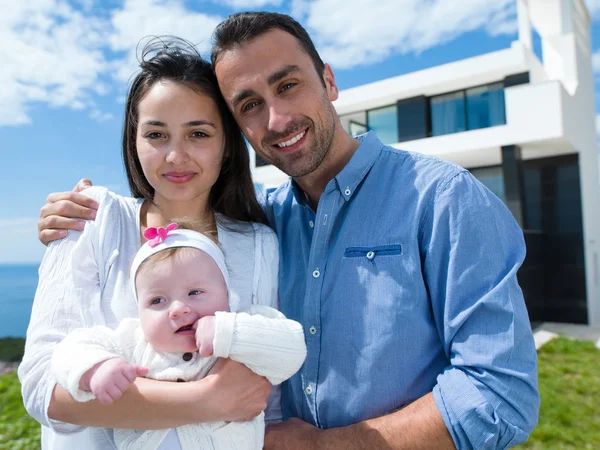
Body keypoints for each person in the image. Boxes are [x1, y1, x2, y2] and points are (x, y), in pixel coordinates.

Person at [37, 11, 541, 450]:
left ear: (329, 80)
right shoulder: (266, 220)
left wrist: (322, 447)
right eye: (249, 104)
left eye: (288, 84)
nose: (275, 118)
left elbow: (500, 395)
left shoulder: (444, 199)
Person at [20, 37, 284, 450]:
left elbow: (265, 394)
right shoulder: (93, 217)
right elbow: (42, 387)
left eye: (198, 133)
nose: (176, 156)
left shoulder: (259, 244)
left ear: (227, 145)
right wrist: (204, 400)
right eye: (157, 134)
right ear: (135, 140)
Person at [52, 223, 306, 449]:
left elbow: (293, 349)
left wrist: (228, 331)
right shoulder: (132, 340)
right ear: (139, 310)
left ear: (228, 295)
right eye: (157, 300)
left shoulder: (248, 326)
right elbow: (69, 349)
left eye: (195, 292)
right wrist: (96, 367)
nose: (178, 309)